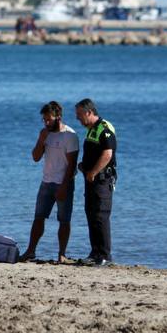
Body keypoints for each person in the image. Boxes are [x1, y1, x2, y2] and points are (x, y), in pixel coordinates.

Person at [19, 101, 79, 264]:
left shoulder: (70, 136)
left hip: (63, 183)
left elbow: (72, 166)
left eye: (49, 119)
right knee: (38, 217)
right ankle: (30, 251)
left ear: (58, 117)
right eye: (44, 120)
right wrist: (41, 139)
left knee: (64, 220)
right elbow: (36, 157)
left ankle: (62, 254)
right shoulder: (45, 134)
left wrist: (64, 187)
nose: (46, 123)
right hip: (46, 182)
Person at [75, 98, 118, 267]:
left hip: (102, 180)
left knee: (100, 216)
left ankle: (105, 255)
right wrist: (84, 167)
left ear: (89, 112)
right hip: (91, 179)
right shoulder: (91, 129)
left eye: (79, 115)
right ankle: (95, 253)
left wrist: (92, 171)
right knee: (91, 215)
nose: (77, 118)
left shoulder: (104, 128)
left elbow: (107, 154)